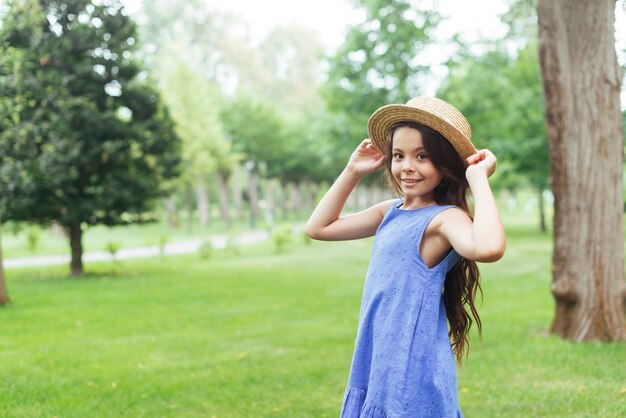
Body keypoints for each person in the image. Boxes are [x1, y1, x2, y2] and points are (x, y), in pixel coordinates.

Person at [305, 96, 506, 417]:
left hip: (412, 366)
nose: (407, 166)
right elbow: (319, 227)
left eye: (422, 156)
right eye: (399, 155)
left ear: (446, 164)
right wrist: (352, 170)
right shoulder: (389, 212)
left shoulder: (444, 218)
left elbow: (488, 248)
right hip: (378, 357)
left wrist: (478, 179)